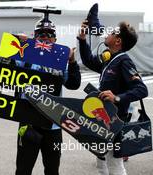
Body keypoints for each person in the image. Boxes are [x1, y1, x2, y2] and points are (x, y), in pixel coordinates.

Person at [15, 9, 81, 175]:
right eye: (40, 34)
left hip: (53, 125)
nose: (45, 37)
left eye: (49, 35)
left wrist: (72, 62)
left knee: (52, 170)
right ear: (34, 37)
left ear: (55, 39)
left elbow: (73, 84)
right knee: (23, 170)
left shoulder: (60, 62)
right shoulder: (25, 58)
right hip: (28, 123)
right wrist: (16, 46)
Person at [78, 21, 148, 175]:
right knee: (101, 162)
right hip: (102, 120)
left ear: (118, 41)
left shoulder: (124, 61)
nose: (107, 34)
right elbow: (88, 60)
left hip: (115, 122)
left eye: (112, 32)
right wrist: (82, 38)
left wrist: (116, 98)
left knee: (115, 165)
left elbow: (142, 89)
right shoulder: (110, 59)